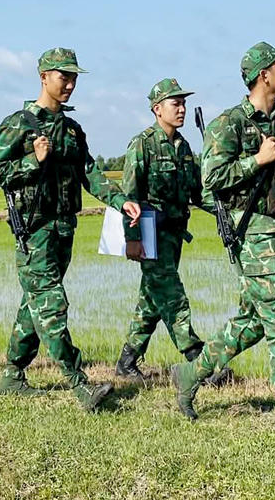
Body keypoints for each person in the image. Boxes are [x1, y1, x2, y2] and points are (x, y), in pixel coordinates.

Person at [170, 42, 275, 439]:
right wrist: (256, 160)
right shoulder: (230, 124)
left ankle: (191, 373)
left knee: (255, 322)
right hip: (253, 233)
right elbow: (210, 181)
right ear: (264, 75)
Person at [0, 47, 141, 411]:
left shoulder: (72, 129)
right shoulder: (19, 123)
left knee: (34, 304)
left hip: (63, 229)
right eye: (63, 77)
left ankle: (12, 374)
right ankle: (79, 384)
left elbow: (90, 172)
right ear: (44, 77)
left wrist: (120, 201)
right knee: (52, 305)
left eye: (73, 78)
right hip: (34, 229)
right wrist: (31, 159)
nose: (70, 84)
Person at [114, 78, 217, 382]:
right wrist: (132, 240)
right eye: (176, 103)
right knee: (173, 297)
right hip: (149, 232)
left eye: (184, 103)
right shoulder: (142, 144)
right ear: (157, 109)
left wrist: (228, 210)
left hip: (174, 234)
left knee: (152, 298)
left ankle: (127, 361)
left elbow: (198, 193)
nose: (182, 108)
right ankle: (200, 364)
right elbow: (128, 196)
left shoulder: (183, 147)